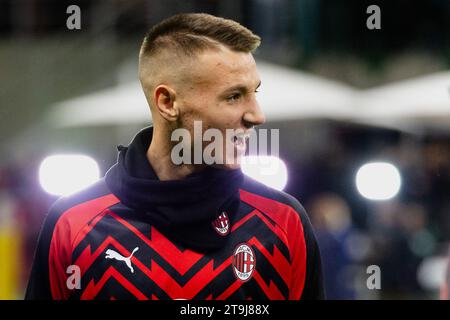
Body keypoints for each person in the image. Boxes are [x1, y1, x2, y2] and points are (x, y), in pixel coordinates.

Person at [25, 13, 324, 300]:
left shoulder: (283, 222)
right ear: (167, 102)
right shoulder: (73, 223)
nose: (257, 115)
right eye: (233, 96)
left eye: (255, 92)